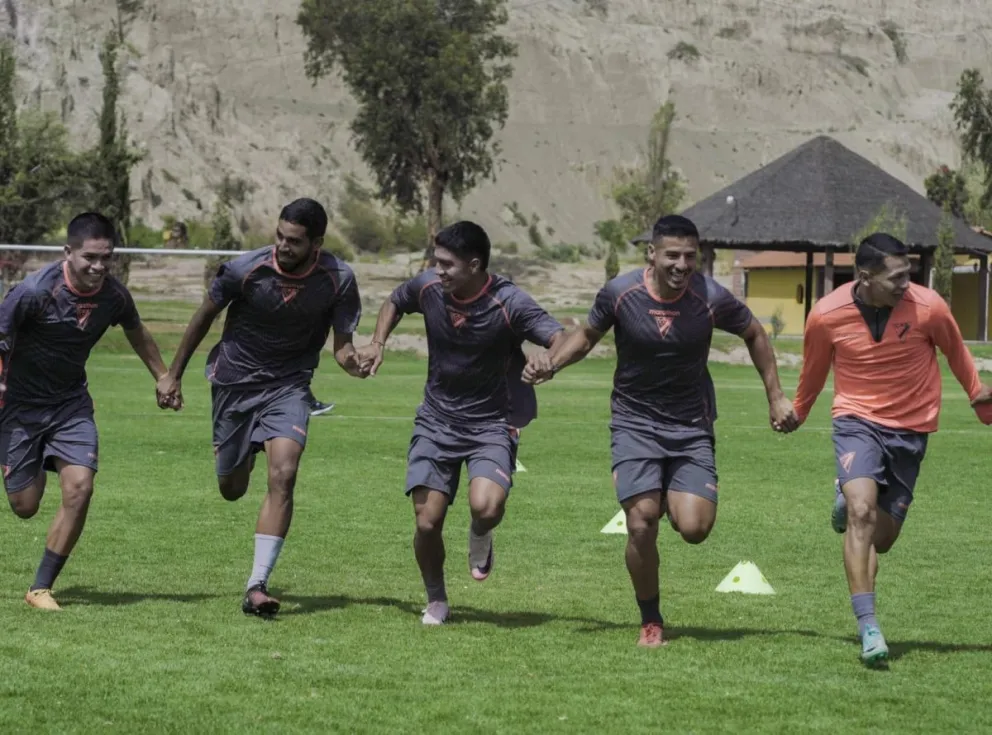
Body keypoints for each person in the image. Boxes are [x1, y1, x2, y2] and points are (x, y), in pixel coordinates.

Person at [523, 214, 797, 648]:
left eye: (690, 256)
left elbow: (754, 333)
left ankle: (669, 492)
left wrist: (776, 396)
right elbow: (587, 336)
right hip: (635, 421)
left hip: (690, 424)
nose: (682, 264)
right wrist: (551, 363)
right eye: (672, 255)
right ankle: (650, 618)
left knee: (695, 529)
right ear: (651, 254)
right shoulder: (620, 292)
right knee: (641, 521)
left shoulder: (711, 297)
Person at [156, 198, 368, 617]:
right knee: (232, 489)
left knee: (284, 474)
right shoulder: (245, 269)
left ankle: (256, 585)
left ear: (317, 242)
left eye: (294, 241)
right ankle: (242, 451)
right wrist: (173, 374)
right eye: (280, 236)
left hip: (289, 388)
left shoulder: (338, 279)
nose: (283, 247)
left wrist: (354, 364)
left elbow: (342, 347)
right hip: (234, 384)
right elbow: (203, 316)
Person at [791, 232, 992, 666]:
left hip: (910, 430)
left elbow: (956, 350)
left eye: (909, 275)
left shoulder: (929, 307)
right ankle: (869, 627)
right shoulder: (826, 315)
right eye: (897, 277)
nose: (907, 283)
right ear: (865, 277)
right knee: (862, 513)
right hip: (856, 421)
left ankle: (846, 498)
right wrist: (799, 412)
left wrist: (977, 395)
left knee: (881, 539)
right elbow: (814, 369)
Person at [357, 221, 564, 626]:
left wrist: (547, 360)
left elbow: (558, 336)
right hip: (436, 420)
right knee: (427, 520)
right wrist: (378, 342)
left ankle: (481, 533)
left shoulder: (509, 302)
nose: (439, 271)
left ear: (474, 265)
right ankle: (436, 599)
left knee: (486, 507)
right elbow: (395, 301)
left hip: (491, 423)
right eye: (436, 262)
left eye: (447, 265)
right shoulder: (430, 288)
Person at [0, 212, 178, 611]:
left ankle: (41, 588)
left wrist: (163, 376)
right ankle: (34, 464)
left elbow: (137, 332)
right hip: (21, 408)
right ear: (68, 253)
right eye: (90, 258)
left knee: (80, 487)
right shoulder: (33, 292)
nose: (99, 267)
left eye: (106, 258)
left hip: (70, 405)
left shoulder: (114, 296)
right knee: (25, 506)